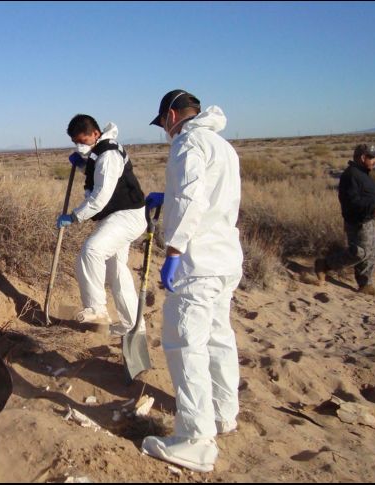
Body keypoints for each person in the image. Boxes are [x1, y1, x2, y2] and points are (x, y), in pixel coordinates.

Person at [140, 90, 243, 473]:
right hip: (225, 259)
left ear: (171, 116)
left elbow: (191, 200)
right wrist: (165, 197)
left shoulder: (187, 142)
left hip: (198, 262)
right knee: (218, 336)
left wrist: (173, 252)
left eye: (163, 124)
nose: (165, 132)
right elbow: (210, 195)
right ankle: (222, 414)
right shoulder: (221, 145)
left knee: (185, 344)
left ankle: (195, 440)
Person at [57, 114, 146, 336]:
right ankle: (133, 326)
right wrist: (83, 165)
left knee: (92, 250)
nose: (80, 146)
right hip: (117, 217)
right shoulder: (100, 152)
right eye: (75, 142)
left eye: (83, 141)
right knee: (117, 270)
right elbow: (97, 174)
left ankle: (96, 308)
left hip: (126, 216)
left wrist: (75, 216)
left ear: (95, 134)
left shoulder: (108, 155)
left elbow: (101, 195)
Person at [315, 144, 375, 295]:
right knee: (359, 253)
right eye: (372, 158)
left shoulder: (363, 173)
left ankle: (365, 284)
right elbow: (351, 200)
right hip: (357, 222)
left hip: (368, 219)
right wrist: (372, 208)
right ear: (362, 158)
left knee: (370, 252)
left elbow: (365, 196)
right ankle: (325, 264)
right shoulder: (351, 175)